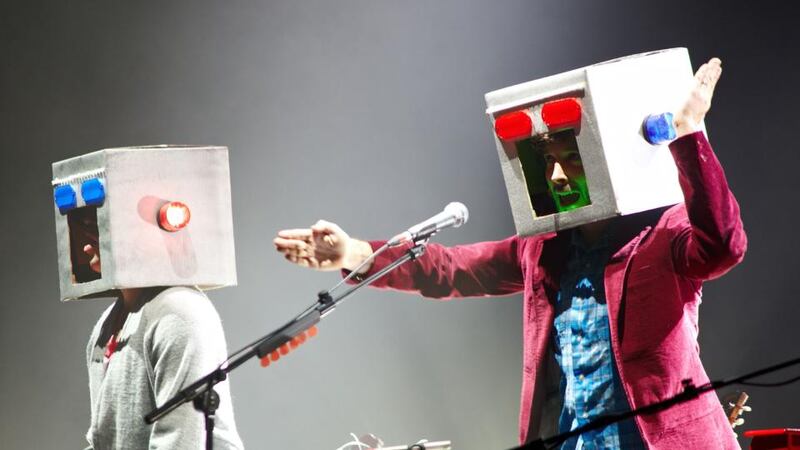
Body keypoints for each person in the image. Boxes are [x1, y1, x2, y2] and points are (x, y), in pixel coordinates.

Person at [273, 58, 745, 449]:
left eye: (571, 159)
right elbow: (451, 271)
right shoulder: (543, 248)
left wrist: (688, 134)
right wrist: (352, 252)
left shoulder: (662, 234)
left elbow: (723, 245)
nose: (557, 177)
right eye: (550, 163)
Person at [51, 145, 243, 450]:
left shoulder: (180, 314)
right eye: (85, 229)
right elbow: (104, 439)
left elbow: (181, 440)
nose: (89, 246)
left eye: (100, 228)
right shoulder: (108, 325)